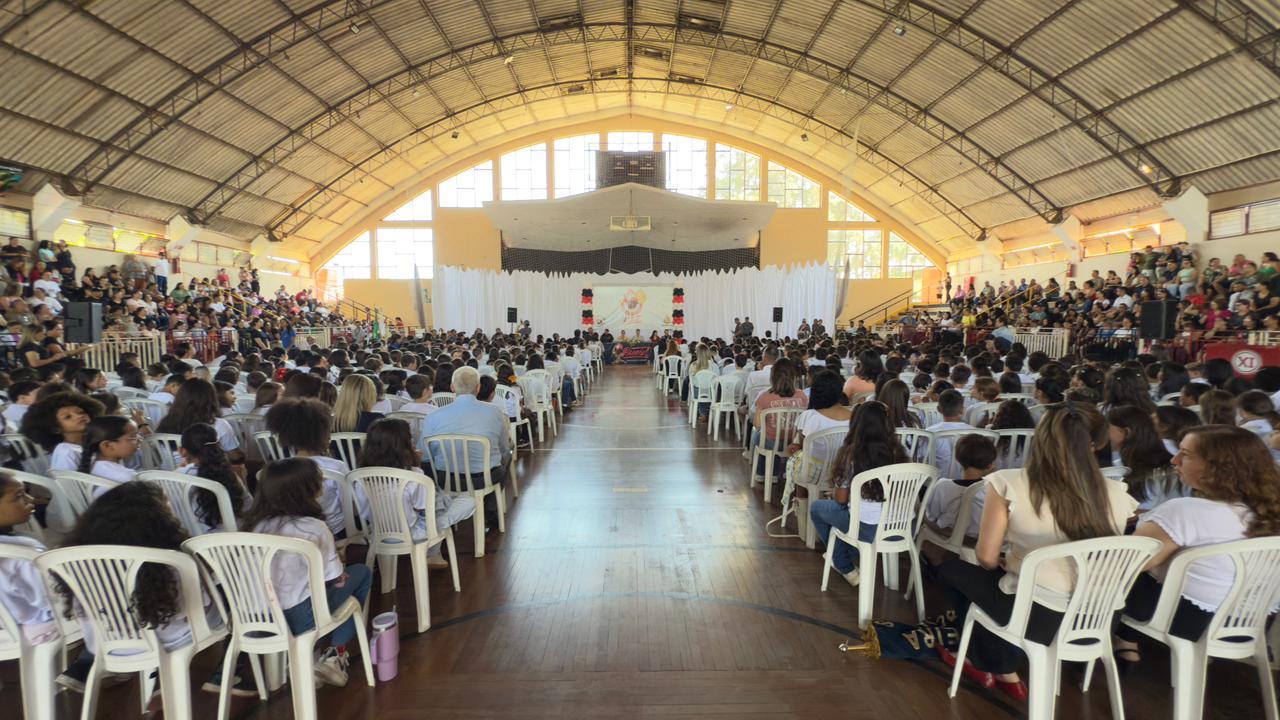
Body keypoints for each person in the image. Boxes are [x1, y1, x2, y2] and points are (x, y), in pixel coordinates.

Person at [935, 404, 1137, 699]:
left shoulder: (1009, 482)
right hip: (1101, 615)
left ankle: (992, 661)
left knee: (952, 569)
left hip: (1037, 615)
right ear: (1097, 443)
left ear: (1039, 439)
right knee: (994, 587)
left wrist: (1013, 562)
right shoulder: (1119, 492)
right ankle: (997, 660)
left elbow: (986, 557)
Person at [1114, 426, 1280, 666]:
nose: (1174, 460)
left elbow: (1125, 565)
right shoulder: (1269, 510)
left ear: (1218, 467)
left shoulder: (1185, 511)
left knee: (1114, 569)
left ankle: (1117, 642)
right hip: (1253, 623)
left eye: (1186, 454)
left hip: (1190, 623)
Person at [244, 458, 372, 687]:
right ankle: (335, 654)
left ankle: (308, 656)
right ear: (307, 490)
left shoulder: (254, 527)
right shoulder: (313, 528)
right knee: (361, 574)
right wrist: (338, 562)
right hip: (301, 616)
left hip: (258, 617)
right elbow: (335, 580)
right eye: (319, 480)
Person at [808, 402, 908, 586]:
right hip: (902, 529)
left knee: (817, 508)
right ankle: (842, 556)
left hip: (866, 529)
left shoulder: (851, 454)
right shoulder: (901, 451)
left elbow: (841, 499)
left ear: (856, 424)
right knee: (846, 517)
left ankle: (843, 564)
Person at [356, 418, 475, 566]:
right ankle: (432, 552)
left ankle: (443, 504)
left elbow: (363, 510)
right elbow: (423, 508)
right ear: (403, 445)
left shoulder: (359, 477)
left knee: (439, 502)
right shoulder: (414, 475)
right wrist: (415, 463)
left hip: (377, 533)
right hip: (413, 533)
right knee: (467, 502)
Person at [422, 366, 510, 529]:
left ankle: (444, 509)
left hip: (445, 477)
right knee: (507, 455)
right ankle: (490, 511)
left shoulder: (434, 416)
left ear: (452, 387)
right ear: (478, 388)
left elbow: (426, 456)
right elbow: (503, 447)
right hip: (483, 477)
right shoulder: (494, 411)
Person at [266, 399, 349, 537]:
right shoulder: (337, 467)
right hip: (335, 531)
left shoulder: (280, 467)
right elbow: (351, 506)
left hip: (293, 533)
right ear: (324, 435)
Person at [178, 423, 250, 535]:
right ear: (217, 446)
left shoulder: (175, 477)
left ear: (182, 451)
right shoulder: (229, 473)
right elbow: (248, 508)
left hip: (196, 542)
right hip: (239, 541)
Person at [925, 434, 997, 541]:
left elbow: (932, 515)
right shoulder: (995, 489)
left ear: (958, 460)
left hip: (949, 537)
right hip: (983, 540)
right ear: (990, 466)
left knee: (922, 515)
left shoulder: (943, 485)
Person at [157, 378, 244, 464]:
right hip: (204, 476)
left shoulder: (165, 422)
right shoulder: (219, 425)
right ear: (212, 400)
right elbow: (235, 457)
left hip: (166, 475)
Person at [1106, 406, 1178, 510]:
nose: (1104, 434)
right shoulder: (1172, 463)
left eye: (1107, 428)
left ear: (1125, 432)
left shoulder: (1119, 472)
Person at [78, 415, 141, 497]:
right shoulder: (127, 477)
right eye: (133, 437)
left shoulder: (90, 465)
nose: (139, 439)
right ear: (107, 445)